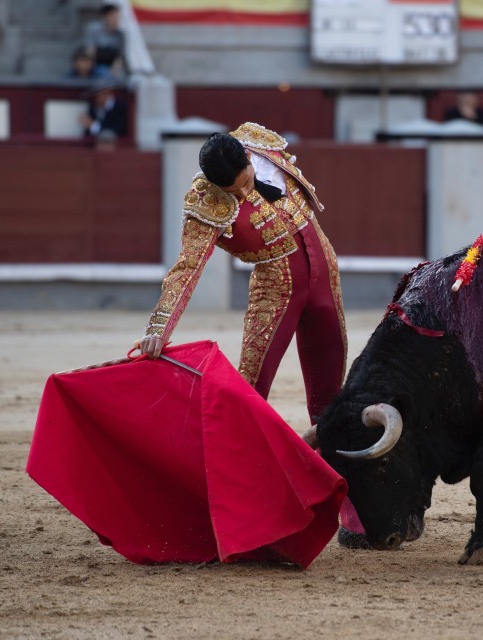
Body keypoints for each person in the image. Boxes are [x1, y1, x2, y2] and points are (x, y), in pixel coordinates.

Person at [138, 123, 364, 547]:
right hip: (275, 289)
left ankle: (348, 505)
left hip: (325, 275)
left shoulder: (260, 143)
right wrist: (159, 327)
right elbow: (187, 267)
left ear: (247, 159)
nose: (244, 193)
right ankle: (240, 505)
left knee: (331, 398)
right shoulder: (205, 199)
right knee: (248, 394)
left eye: (245, 182)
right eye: (235, 191)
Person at [83, 2, 126, 78]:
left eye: (117, 16)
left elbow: (119, 57)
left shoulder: (120, 35)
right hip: (96, 65)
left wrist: (114, 72)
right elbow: (90, 51)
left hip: (112, 67)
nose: (117, 19)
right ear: (106, 16)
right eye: (113, 16)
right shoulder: (94, 30)